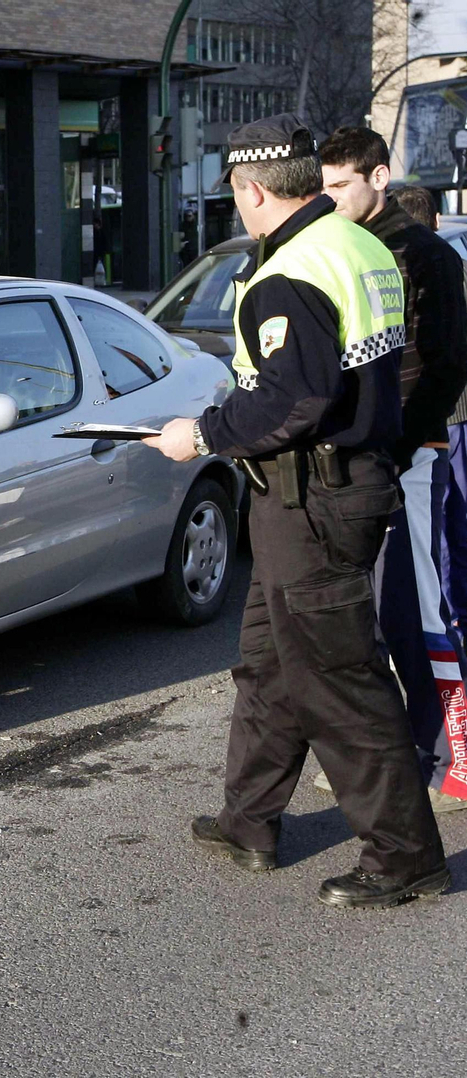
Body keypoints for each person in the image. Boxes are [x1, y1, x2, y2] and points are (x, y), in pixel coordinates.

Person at [143, 115, 450, 908]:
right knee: (270, 663)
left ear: (250, 190)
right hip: (323, 491)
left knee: (338, 681)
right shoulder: (358, 244)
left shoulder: (290, 271)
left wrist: (198, 434)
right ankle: (249, 821)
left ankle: (405, 856)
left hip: (314, 498)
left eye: (235, 193)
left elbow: (295, 400)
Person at [319, 127, 467, 815]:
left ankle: (453, 758)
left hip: (409, 458)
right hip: (356, 460)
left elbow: (445, 366)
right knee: (364, 618)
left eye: (339, 184)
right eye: (322, 185)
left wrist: (400, 449)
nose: (328, 197)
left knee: (424, 609)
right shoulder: (339, 246)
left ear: (379, 177)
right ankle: (383, 751)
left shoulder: (428, 253)